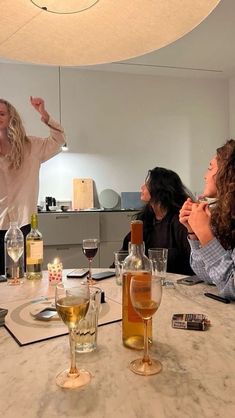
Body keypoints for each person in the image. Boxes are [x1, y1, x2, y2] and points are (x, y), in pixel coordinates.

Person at [0, 96, 65, 274]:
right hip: (0, 225)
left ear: (10, 117)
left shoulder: (31, 146)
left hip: (25, 225)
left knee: (29, 276)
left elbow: (59, 140)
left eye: (2, 113)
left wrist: (44, 115)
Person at [179, 139, 235, 299]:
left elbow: (231, 286)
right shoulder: (225, 215)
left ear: (228, 173)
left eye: (210, 168)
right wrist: (193, 232)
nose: (205, 175)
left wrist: (205, 233)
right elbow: (207, 275)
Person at [118, 167, 195, 275]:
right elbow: (126, 250)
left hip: (178, 285)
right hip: (148, 280)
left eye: (147, 184)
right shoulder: (145, 219)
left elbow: (194, 261)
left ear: (159, 189)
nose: (142, 187)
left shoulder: (180, 222)